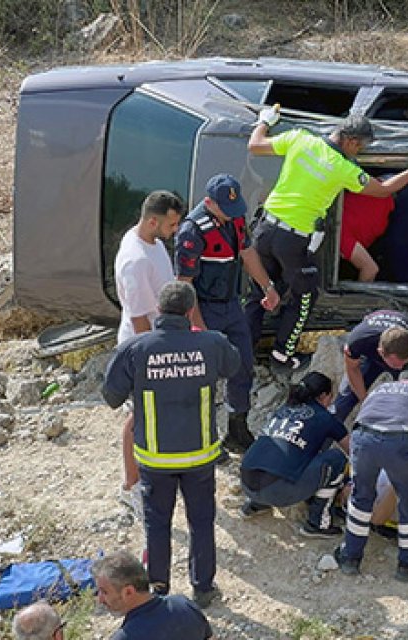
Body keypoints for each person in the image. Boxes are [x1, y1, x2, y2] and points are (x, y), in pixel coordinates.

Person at [246, 109, 408, 370]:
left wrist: (265, 121)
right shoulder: (342, 168)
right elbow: (383, 190)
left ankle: (243, 351)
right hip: (292, 239)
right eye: (359, 147)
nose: (358, 152)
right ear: (350, 141)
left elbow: (255, 145)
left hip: (265, 229)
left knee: (260, 289)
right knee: (305, 295)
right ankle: (283, 356)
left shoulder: (300, 138)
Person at [101, 281, 241, 608]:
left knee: (158, 525)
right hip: (199, 458)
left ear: (159, 311)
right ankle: (203, 589)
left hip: (155, 460)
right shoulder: (211, 343)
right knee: (202, 522)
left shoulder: (136, 349)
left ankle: (159, 591)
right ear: (191, 311)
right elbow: (233, 366)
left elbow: (111, 396)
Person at [174, 174, 280, 454]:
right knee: (204, 376)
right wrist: (198, 327)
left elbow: (247, 254)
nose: (233, 214)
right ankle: (206, 439)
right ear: (209, 203)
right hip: (204, 307)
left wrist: (267, 286)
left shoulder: (234, 218)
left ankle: (237, 429)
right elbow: (185, 286)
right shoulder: (191, 232)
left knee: (242, 363)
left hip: (232, 305)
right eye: (226, 208)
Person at [112, 190, 183, 519]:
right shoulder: (136, 260)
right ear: (153, 221)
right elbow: (141, 320)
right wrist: (158, 357)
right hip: (144, 347)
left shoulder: (150, 242)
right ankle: (131, 485)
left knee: (156, 414)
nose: (175, 230)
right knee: (138, 417)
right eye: (171, 224)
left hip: (160, 340)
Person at [334, 367, 408, 582]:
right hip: (400, 440)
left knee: (361, 496)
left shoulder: (383, 387)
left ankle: (350, 557)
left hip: (363, 436)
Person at [239, 372, 350, 537]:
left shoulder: (284, 409)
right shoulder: (325, 418)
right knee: (337, 460)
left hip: (247, 483)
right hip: (277, 492)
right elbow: (353, 451)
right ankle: (318, 523)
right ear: (324, 396)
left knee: (281, 453)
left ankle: (256, 504)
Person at [92, 551, 213, 640]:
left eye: (104, 592)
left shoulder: (125, 637)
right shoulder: (184, 604)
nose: (100, 599)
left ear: (128, 592)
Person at [332, 309, 408, 422]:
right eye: (396, 364)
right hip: (370, 353)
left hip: (397, 351)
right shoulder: (359, 341)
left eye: (403, 363)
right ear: (381, 352)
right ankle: (327, 431)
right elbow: (352, 369)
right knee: (345, 398)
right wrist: (365, 402)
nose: (400, 368)